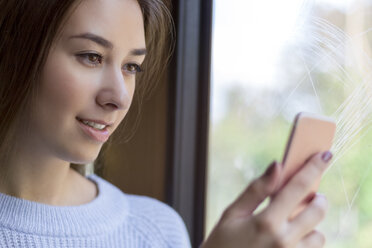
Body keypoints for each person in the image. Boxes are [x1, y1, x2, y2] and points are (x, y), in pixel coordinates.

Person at [0, 0, 332, 247]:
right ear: (14, 48)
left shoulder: (156, 231)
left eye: (131, 67)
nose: (119, 97)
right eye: (92, 56)